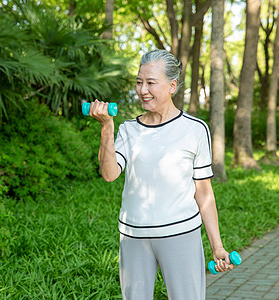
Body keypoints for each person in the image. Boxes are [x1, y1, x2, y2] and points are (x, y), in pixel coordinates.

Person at [87, 49, 234, 300]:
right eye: (139, 82)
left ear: (172, 85)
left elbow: (204, 193)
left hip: (181, 234)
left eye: (151, 83)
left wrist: (217, 246)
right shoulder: (128, 129)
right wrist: (106, 128)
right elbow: (110, 174)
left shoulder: (196, 129)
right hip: (134, 236)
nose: (143, 90)